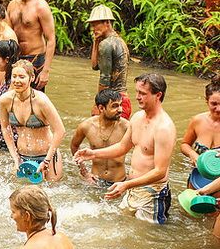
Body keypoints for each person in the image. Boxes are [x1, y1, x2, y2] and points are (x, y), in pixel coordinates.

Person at [74, 73, 176, 224]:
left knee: (146, 237)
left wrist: (126, 184)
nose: (137, 97)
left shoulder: (164, 128)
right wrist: (93, 154)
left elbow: (160, 171)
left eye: (142, 93)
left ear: (158, 95)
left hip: (153, 193)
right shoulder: (137, 117)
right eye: (137, 92)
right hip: (133, 188)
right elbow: (122, 147)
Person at [0, 60, 65, 181]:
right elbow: (5, 128)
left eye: (22, 77)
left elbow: (60, 131)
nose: (17, 81)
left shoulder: (41, 101)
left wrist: (46, 161)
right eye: (14, 76)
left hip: (47, 156)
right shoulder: (5, 100)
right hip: (22, 157)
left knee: (51, 192)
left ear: (32, 78)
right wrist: (15, 157)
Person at [5, 0, 55, 91]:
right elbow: (7, 35)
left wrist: (46, 71)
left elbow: (51, 39)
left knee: (34, 101)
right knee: (13, 99)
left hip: (35, 60)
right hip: (16, 58)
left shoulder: (41, 7)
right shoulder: (12, 5)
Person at [70, 89, 129, 187]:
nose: (120, 110)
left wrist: (131, 178)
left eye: (120, 105)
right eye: (114, 106)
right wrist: (84, 173)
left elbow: (141, 149)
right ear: (101, 108)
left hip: (119, 182)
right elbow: (74, 145)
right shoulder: (86, 126)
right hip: (95, 181)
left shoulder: (126, 127)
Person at [87, 4, 132, 120]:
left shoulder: (106, 44)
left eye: (95, 24)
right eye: (92, 25)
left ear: (107, 23)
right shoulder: (119, 41)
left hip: (112, 102)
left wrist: (98, 104)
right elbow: (95, 66)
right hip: (123, 100)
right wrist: (96, 42)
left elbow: (104, 78)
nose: (93, 28)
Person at [180, 76, 220, 167]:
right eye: (214, 104)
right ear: (207, 101)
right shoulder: (197, 120)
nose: (218, 109)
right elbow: (185, 144)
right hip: (197, 177)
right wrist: (192, 154)